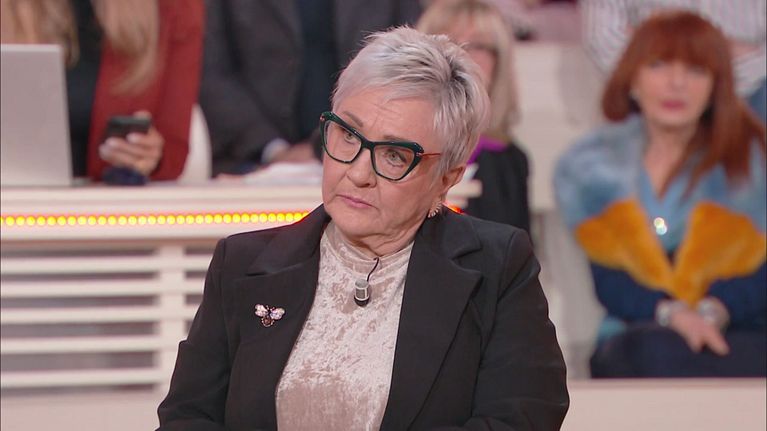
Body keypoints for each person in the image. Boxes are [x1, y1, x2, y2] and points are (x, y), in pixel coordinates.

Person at [158, 27, 568, 430]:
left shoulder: (498, 268)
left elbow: (522, 419)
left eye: (394, 155)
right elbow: (187, 419)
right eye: (348, 135)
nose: (357, 173)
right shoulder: (241, 264)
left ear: (447, 177)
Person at [555, 12, 766, 378]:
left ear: (716, 86)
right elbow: (611, 282)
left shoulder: (752, 164)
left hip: (736, 326)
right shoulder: (594, 167)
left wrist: (713, 311)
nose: (676, 83)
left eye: (696, 70)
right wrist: (674, 314)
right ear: (633, 78)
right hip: (638, 330)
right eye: (658, 65)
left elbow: (760, 276)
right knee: (655, 353)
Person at [200, 0, 422, 176]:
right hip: (250, 163)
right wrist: (273, 149)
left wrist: (347, 144)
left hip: (373, 157)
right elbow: (211, 72)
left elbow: (413, 61)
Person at [0, 0, 204, 183]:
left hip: (111, 205)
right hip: (15, 203)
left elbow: (173, 151)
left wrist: (149, 155)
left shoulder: (174, 7)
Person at [418, 0, 531, 232]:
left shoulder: (508, 161)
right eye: (448, 41)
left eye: (477, 45)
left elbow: (516, 249)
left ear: (498, 62)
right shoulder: (395, 146)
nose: (461, 54)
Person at [582, 0, 767, 123]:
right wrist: (723, 50)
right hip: (645, 96)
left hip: (751, 92)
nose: (681, 81)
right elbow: (603, 38)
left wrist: (717, 87)